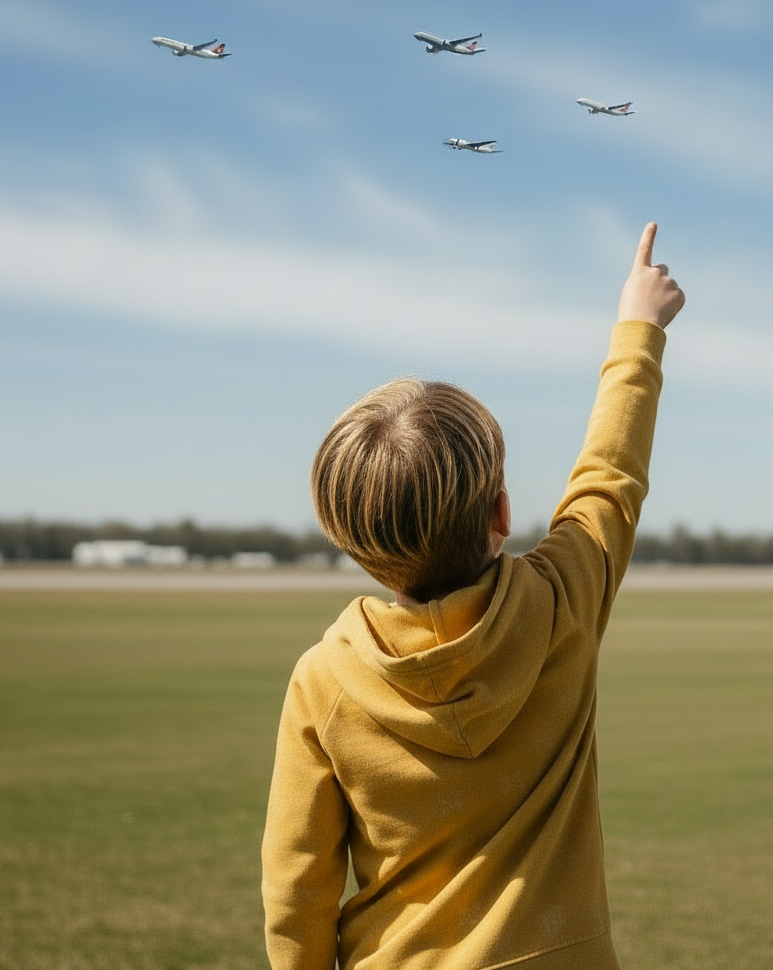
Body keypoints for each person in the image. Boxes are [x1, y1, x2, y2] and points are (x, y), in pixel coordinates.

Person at [262, 223, 684, 970]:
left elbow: (298, 892)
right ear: (500, 514)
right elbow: (609, 477)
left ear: (353, 544)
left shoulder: (324, 681)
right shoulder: (562, 604)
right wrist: (636, 331)